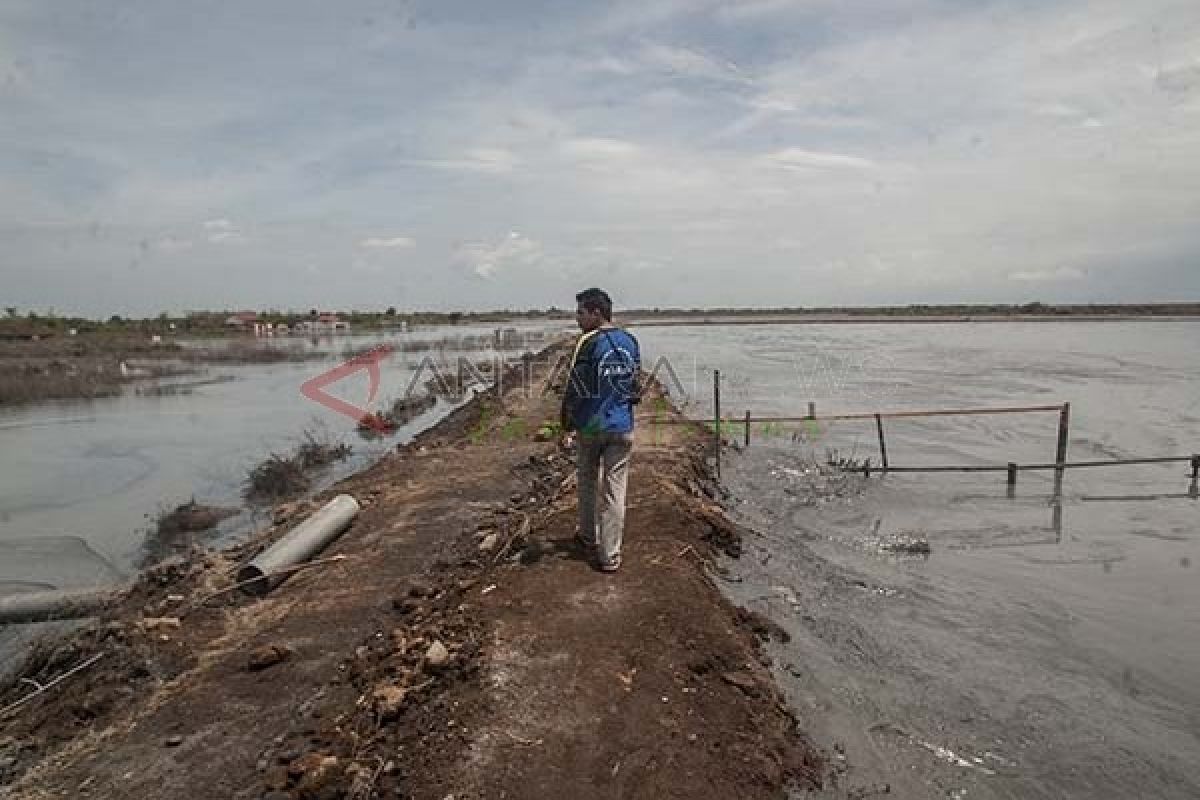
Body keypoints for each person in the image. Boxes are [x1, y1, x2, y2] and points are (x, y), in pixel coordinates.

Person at [560, 288, 641, 573]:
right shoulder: (630, 342)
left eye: (581, 312)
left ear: (597, 313)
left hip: (592, 426)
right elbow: (635, 387)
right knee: (615, 491)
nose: (578, 318)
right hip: (621, 426)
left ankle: (587, 537)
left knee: (587, 480)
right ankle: (610, 556)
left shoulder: (589, 344)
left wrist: (567, 425)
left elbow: (575, 389)